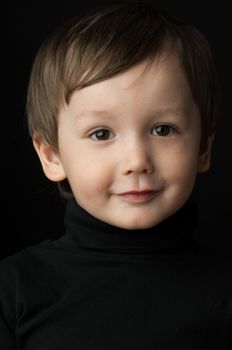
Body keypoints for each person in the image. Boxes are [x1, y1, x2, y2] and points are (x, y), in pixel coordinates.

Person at [1, 1, 231, 348]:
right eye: (101, 134)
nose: (137, 161)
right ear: (51, 156)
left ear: (203, 148)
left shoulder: (225, 289)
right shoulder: (14, 288)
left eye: (163, 129)